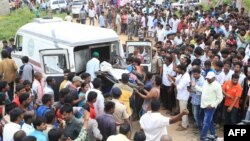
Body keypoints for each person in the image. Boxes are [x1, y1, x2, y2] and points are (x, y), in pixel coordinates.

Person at [194, 71, 223, 141]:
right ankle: (214, 135)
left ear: (214, 78)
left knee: (206, 122)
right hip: (204, 105)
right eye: (207, 78)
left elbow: (220, 97)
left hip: (211, 107)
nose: (208, 79)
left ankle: (202, 138)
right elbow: (202, 90)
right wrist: (195, 86)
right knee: (209, 121)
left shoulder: (217, 85)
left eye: (209, 78)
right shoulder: (206, 82)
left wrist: (213, 105)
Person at [168, 64, 190, 131]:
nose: (177, 70)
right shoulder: (181, 75)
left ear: (182, 70)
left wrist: (171, 81)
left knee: (183, 111)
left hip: (184, 96)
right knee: (182, 110)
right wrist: (171, 77)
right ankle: (185, 123)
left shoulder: (186, 77)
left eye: (178, 69)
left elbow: (178, 87)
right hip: (181, 96)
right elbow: (176, 79)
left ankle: (184, 126)